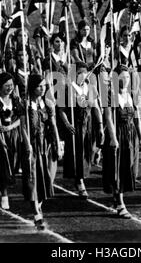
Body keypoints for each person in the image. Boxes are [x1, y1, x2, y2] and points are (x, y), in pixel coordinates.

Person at [58, 62, 104, 198]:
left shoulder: (91, 88)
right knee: (77, 153)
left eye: (84, 72)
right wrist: (66, 123)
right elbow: (61, 110)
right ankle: (80, 181)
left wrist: (100, 125)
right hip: (75, 125)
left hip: (88, 124)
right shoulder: (68, 89)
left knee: (86, 152)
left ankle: (83, 175)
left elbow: (96, 108)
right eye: (79, 73)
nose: (82, 75)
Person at [102, 64, 141, 218]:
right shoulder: (110, 95)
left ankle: (117, 196)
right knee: (117, 169)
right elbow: (108, 117)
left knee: (128, 168)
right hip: (117, 134)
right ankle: (120, 203)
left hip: (130, 135)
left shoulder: (130, 94)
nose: (125, 80)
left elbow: (136, 116)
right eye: (121, 77)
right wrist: (113, 138)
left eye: (127, 77)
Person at [0, 72, 31, 210]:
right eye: (6, 85)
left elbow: (22, 119)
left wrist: (10, 127)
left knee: (14, 163)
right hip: (0, 137)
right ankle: (4, 195)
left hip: (14, 135)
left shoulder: (16, 100)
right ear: (0, 86)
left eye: (11, 85)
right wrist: (1, 140)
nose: (9, 88)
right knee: (3, 166)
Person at [27, 74, 62, 229]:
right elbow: (23, 126)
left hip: (46, 144)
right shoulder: (26, 105)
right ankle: (36, 213)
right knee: (34, 178)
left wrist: (57, 144)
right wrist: (27, 144)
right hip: (32, 145)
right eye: (39, 86)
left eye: (44, 86)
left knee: (47, 178)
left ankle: (38, 203)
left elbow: (53, 125)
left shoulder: (48, 104)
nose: (42, 89)